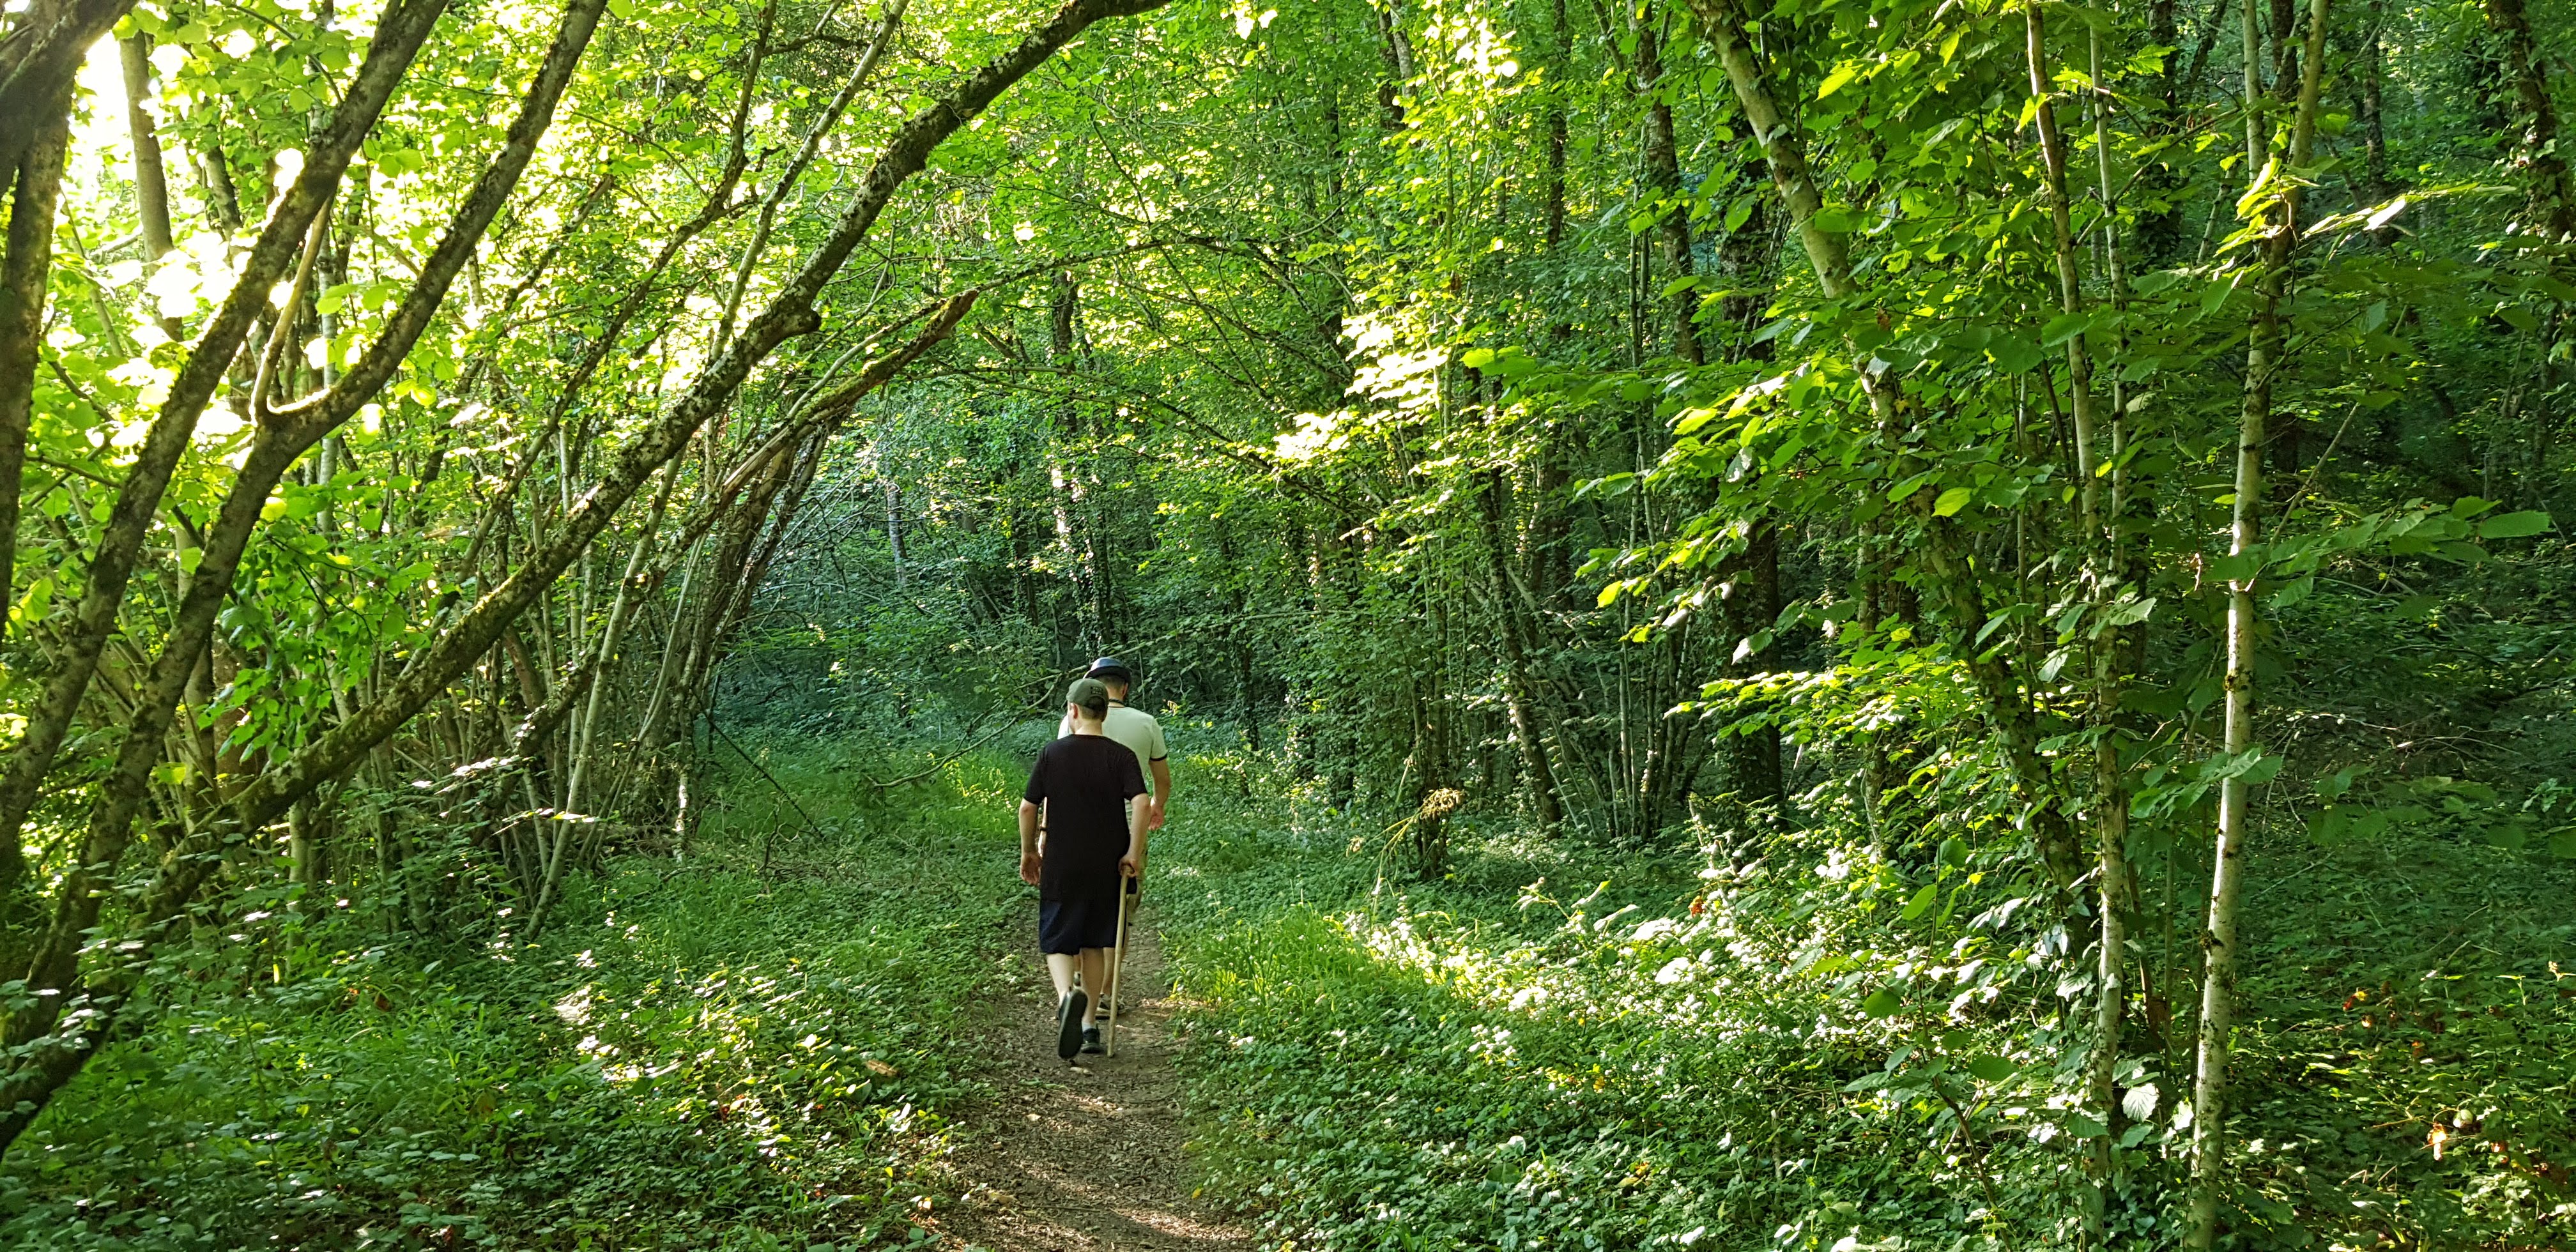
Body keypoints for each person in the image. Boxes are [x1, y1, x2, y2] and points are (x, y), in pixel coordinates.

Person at [1020, 677, 1149, 1059]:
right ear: (1105, 713)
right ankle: (1090, 1025)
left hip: (1063, 860)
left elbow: (1029, 807)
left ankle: (1065, 1000)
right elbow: (1142, 803)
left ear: (1072, 711)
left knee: (1057, 938)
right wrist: (1133, 853)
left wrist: (1029, 851)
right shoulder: (1121, 755)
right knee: (1094, 943)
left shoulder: (1052, 754)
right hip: (1107, 864)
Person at [1056, 656, 1171, 833]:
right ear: (1124, 689)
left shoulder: (1073, 720)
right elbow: (1163, 780)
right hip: (1131, 826)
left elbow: (1060, 779)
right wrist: (1157, 805)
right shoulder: (1147, 723)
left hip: (1081, 823)